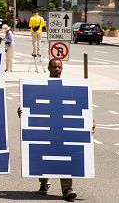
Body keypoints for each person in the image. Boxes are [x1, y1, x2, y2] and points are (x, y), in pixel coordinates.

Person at [17, 58, 95, 201]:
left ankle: (67, 188)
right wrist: (22, 112)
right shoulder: (41, 87)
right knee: (44, 154)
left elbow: (80, 107)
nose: (57, 69)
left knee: (65, 155)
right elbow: (30, 105)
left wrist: (90, 122)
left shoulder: (68, 88)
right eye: (54, 67)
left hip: (63, 128)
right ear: (49, 68)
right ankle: (44, 182)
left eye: (59, 67)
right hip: (45, 126)